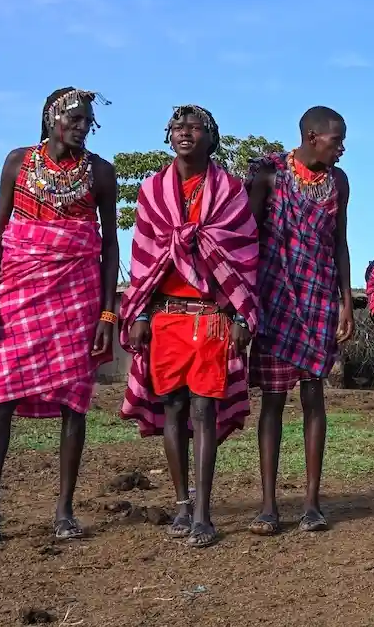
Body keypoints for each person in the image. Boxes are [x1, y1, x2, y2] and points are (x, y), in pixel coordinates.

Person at [0, 89, 119, 550]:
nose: (83, 126)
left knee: (73, 401)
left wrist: (107, 312)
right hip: (18, 294)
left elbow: (110, 246)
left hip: (77, 297)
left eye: (89, 120)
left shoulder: (101, 173)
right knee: (0, 398)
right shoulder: (18, 162)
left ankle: (64, 511)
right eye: (75, 118)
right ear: (50, 119)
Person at [118, 105, 258, 549]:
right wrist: (139, 315)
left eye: (194, 128)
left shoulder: (230, 191)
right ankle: (181, 503)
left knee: (204, 411)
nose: (184, 133)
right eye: (177, 127)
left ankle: (203, 513)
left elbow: (243, 257)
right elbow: (143, 258)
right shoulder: (153, 191)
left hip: (211, 315)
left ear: (210, 138)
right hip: (165, 315)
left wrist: (239, 315)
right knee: (173, 409)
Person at [245, 106, 353, 536]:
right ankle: (269, 505)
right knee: (272, 400)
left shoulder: (338, 182)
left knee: (314, 398)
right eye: (336, 140)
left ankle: (311, 502)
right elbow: (246, 240)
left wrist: (346, 302)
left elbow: (340, 241)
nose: (342, 148)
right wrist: (244, 303)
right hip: (275, 300)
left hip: (319, 298)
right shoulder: (269, 177)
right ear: (312, 137)